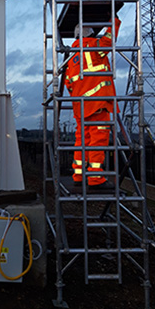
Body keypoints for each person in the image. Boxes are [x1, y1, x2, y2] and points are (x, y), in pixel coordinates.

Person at [64, 17, 120, 187]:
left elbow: (68, 84)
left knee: (82, 140)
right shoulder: (93, 46)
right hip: (97, 103)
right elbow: (109, 40)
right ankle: (95, 178)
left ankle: (79, 176)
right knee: (98, 140)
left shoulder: (71, 58)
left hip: (81, 108)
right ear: (90, 34)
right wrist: (113, 20)